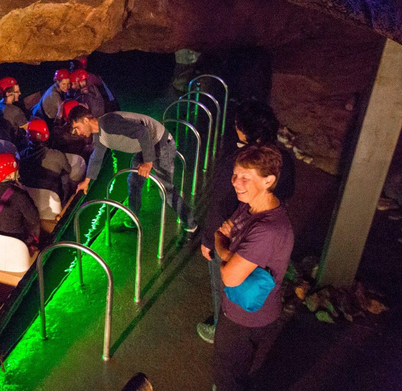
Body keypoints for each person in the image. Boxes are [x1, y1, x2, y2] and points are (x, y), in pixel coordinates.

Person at [198, 99, 295, 344]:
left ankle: (223, 326)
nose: (237, 182)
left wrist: (212, 240)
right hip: (255, 239)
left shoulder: (239, 162)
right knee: (257, 280)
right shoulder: (282, 160)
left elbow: (219, 200)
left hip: (234, 231)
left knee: (228, 285)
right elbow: (289, 191)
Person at [213, 144, 293, 391]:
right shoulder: (250, 206)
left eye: (246, 178)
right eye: (235, 175)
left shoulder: (267, 229)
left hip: (244, 319)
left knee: (227, 375)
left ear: (268, 180)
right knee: (237, 368)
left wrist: (220, 242)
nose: (236, 182)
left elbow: (229, 276)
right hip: (249, 311)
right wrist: (229, 248)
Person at [69, 106, 196, 234]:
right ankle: (133, 219)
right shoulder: (99, 135)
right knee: (134, 182)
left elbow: (143, 132)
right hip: (145, 145)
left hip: (161, 143)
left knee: (166, 191)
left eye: (77, 128)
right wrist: (86, 181)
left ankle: (191, 225)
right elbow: (96, 157)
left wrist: (147, 163)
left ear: (86, 120)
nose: (78, 133)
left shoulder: (108, 123)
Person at [0, 153, 41, 246]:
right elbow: (34, 219)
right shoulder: (19, 195)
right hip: (15, 241)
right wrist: (24, 192)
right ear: (8, 176)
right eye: (15, 170)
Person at [19, 119, 73, 202]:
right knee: (65, 176)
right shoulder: (58, 155)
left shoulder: (21, 155)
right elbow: (68, 169)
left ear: (27, 137)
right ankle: (65, 201)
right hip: (52, 198)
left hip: (30, 198)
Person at [0, 77, 29, 149]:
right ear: (8, 93)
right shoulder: (16, 111)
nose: (20, 93)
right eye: (16, 92)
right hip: (8, 148)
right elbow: (29, 130)